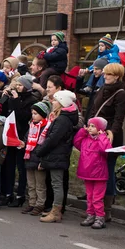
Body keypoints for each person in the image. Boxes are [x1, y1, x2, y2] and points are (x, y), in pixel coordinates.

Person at [88, 63, 125, 222]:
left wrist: (109, 133)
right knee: (96, 171)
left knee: (107, 172)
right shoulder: (101, 89)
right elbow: (93, 111)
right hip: (95, 135)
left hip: (110, 138)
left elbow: (119, 118)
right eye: (105, 74)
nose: (105, 76)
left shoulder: (121, 94)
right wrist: (90, 127)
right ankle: (95, 207)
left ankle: (107, 208)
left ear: (117, 76)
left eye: (109, 74)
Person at [37, 90, 79, 223]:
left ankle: (56, 211)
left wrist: (40, 151)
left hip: (57, 156)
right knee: (55, 183)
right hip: (56, 155)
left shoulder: (62, 120)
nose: (52, 102)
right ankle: (55, 210)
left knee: (56, 183)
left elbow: (53, 139)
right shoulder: (61, 118)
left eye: (55, 100)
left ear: (61, 103)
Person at [0, 75, 38, 207]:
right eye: (17, 84)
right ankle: (8, 193)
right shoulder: (13, 98)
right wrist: (5, 98)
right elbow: (4, 111)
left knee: (21, 168)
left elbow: (22, 116)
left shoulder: (32, 100)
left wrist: (16, 100)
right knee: (9, 166)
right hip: (11, 135)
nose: (17, 87)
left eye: (21, 85)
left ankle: (20, 195)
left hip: (21, 136)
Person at [73, 117, 113, 229]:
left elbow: (105, 149)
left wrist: (102, 137)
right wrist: (82, 131)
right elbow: (76, 142)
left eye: (93, 126)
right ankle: (90, 215)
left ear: (100, 129)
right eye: (89, 125)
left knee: (97, 198)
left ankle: (100, 217)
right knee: (90, 197)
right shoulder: (85, 140)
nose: (89, 128)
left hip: (99, 175)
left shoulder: (103, 140)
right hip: (87, 173)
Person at [21, 102, 51, 215]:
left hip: (39, 159)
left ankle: (40, 204)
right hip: (29, 158)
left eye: (36, 113)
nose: (33, 115)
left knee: (40, 185)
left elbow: (45, 145)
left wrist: (42, 161)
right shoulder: (31, 126)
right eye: (32, 113)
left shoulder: (46, 127)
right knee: (31, 184)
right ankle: (32, 202)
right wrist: (23, 143)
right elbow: (26, 138)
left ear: (43, 114)